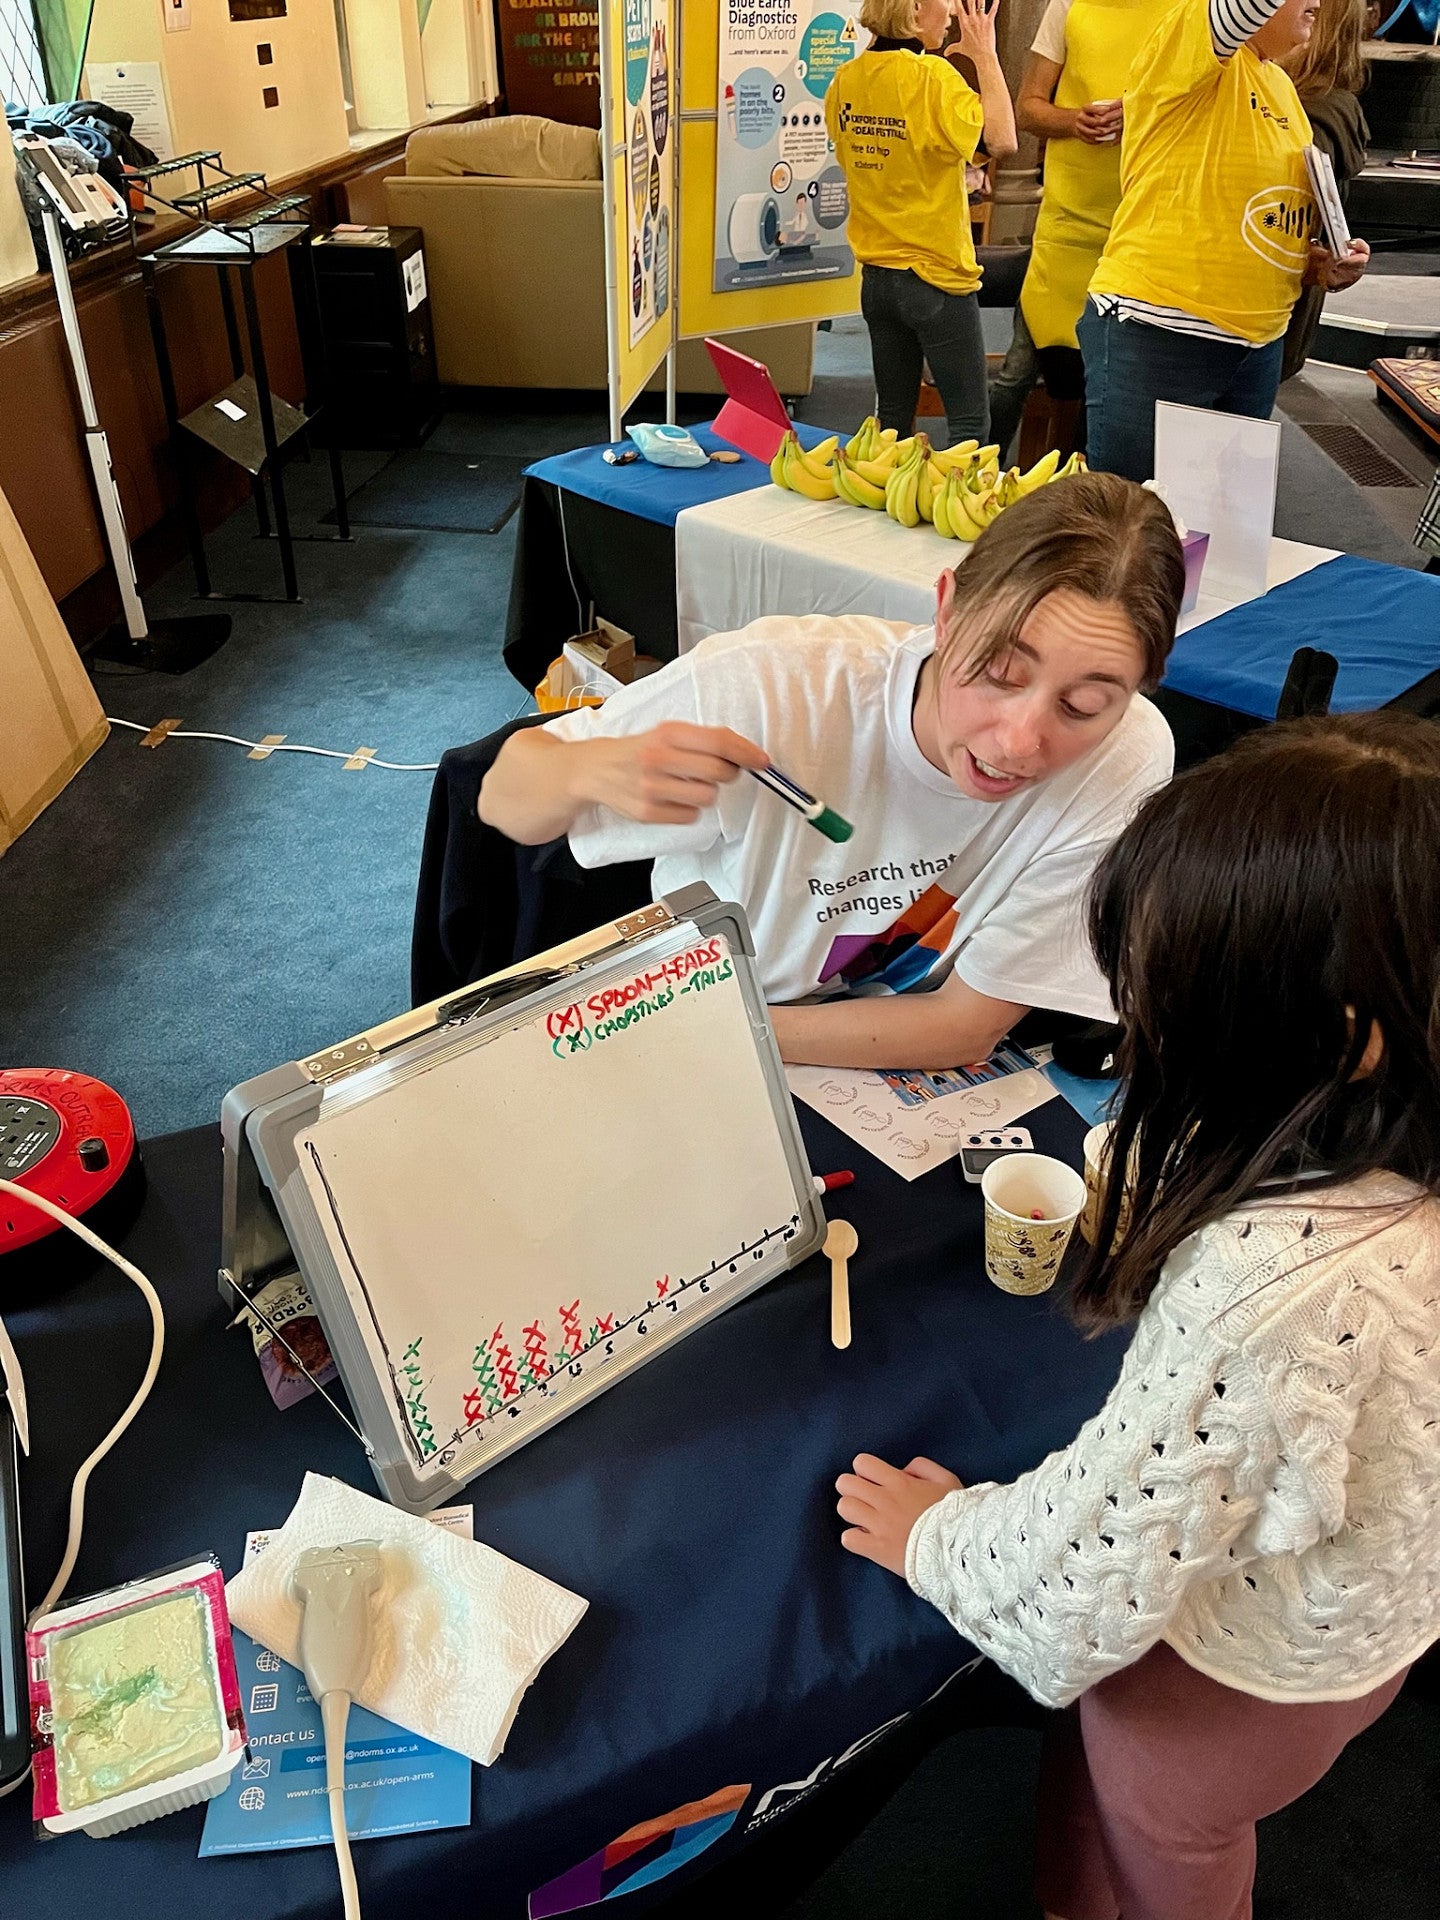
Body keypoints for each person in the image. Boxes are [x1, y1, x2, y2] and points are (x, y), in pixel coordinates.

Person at [835, 710, 1440, 1920]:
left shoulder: (1275, 1292)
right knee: (1109, 1799)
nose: (1134, 1018)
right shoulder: (1385, 1114)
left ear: (1334, 1040)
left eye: (1173, 993)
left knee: (1168, 1828)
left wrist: (940, 1537)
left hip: (1242, 1677)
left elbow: (1080, 1580)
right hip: (1375, 1603)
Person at [478, 475, 1181, 1071]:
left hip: (773, 1038)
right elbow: (501, 794)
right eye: (999, 673)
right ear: (944, 611)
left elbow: (966, 1025)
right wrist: (587, 771)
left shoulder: (1127, 757)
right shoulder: (769, 686)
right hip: (702, 1006)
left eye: (1084, 706)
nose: (1021, 742)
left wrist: (725, 1029)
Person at [1079, 0, 1372, 482]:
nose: (1317, 2)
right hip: (1162, 331)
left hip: (1257, 346)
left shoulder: (1278, 84)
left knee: (1221, 537)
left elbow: (1265, 220)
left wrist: (1319, 265)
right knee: (1129, 530)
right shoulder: (1188, 42)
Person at [824, 0, 1017, 446]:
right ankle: (969, 516)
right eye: (943, 1)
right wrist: (984, 54)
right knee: (970, 425)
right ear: (913, 9)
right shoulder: (932, 78)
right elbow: (1003, 140)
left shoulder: (845, 81)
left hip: (877, 281)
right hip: (936, 278)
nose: (951, 11)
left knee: (892, 421)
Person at [990, 0, 1171, 460]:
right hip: (1066, 224)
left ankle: (1083, 496)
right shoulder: (1068, 6)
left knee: (1113, 385)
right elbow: (1028, 108)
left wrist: (1142, 115)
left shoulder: (1191, 12)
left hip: (1145, 226)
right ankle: (978, 471)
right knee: (1017, 372)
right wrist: (1074, 121)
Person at [1280, 0, 1371, 382]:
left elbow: (1281, 229)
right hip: (1286, 320)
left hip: (1263, 317)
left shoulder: (1305, 117)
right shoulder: (1333, 106)